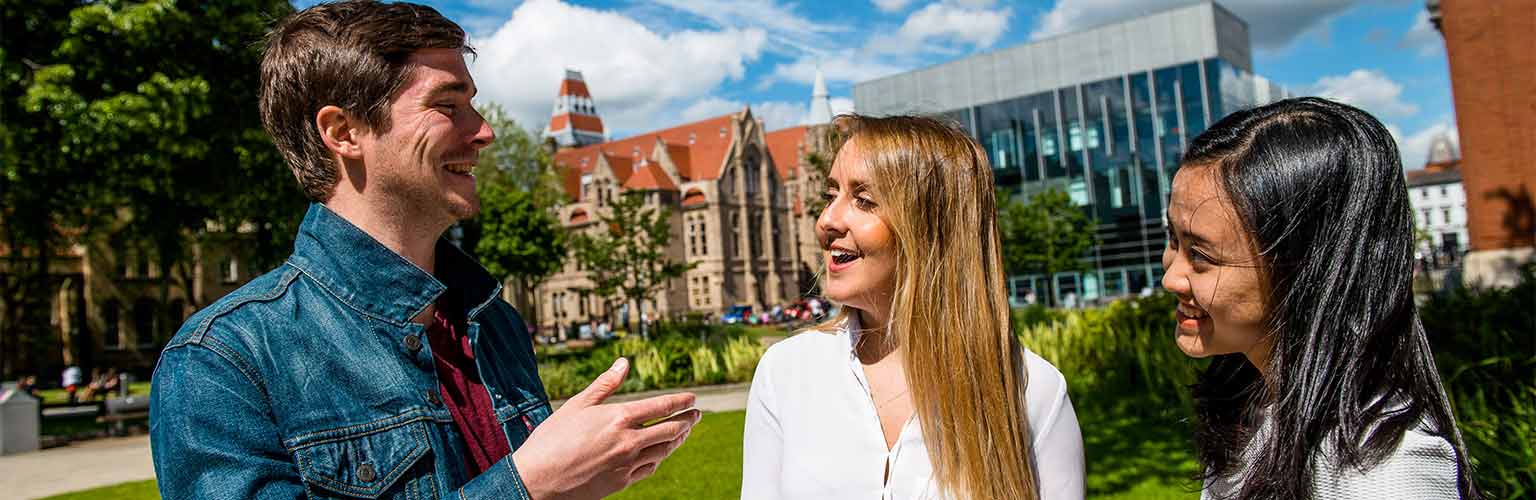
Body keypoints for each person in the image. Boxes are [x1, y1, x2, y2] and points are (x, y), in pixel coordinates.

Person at [149, 2, 699, 498]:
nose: (484, 132)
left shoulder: (493, 322)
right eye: (448, 106)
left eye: (473, 105)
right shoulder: (224, 359)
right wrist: (527, 487)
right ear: (343, 132)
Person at [742, 115, 1085, 500]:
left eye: (864, 200)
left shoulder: (1031, 391)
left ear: (931, 226)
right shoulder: (787, 372)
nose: (826, 221)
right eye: (830, 196)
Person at [1162, 97, 1479, 500]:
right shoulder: (1253, 415)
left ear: (1304, 268)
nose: (1171, 276)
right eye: (1174, 239)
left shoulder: (1387, 477)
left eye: (1202, 255)